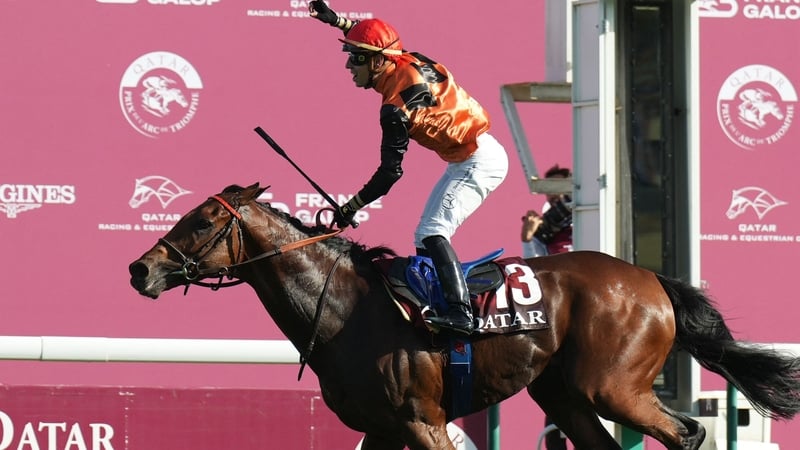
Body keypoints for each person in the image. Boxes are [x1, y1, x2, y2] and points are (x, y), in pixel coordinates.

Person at [309, 2, 509, 336]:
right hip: (472, 155)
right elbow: (379, 38)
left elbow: (390, 174)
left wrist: (351, 207)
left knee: (433, 232)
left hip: (479, 160)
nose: (348, 65)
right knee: (423, 237)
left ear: (378, 62)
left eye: (355, 58)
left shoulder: (394, 110)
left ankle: (461, 314)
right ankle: (437, 307)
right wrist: (337, 21)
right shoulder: (405, 57)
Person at [520, 164, 572, 450]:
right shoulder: (545, 230)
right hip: (561, 314)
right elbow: (534, 268)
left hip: (595, 308)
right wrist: (529, 238)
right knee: (553, 384)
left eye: (559, 191)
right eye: (550, 192)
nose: (554, 198)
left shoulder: (595, 216)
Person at [521, 165, 573, 259]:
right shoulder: (542, 231)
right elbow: (534, 264)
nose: (553, 194)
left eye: (558, 187)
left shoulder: (589, 219)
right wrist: (527, 239)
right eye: (548, 189)